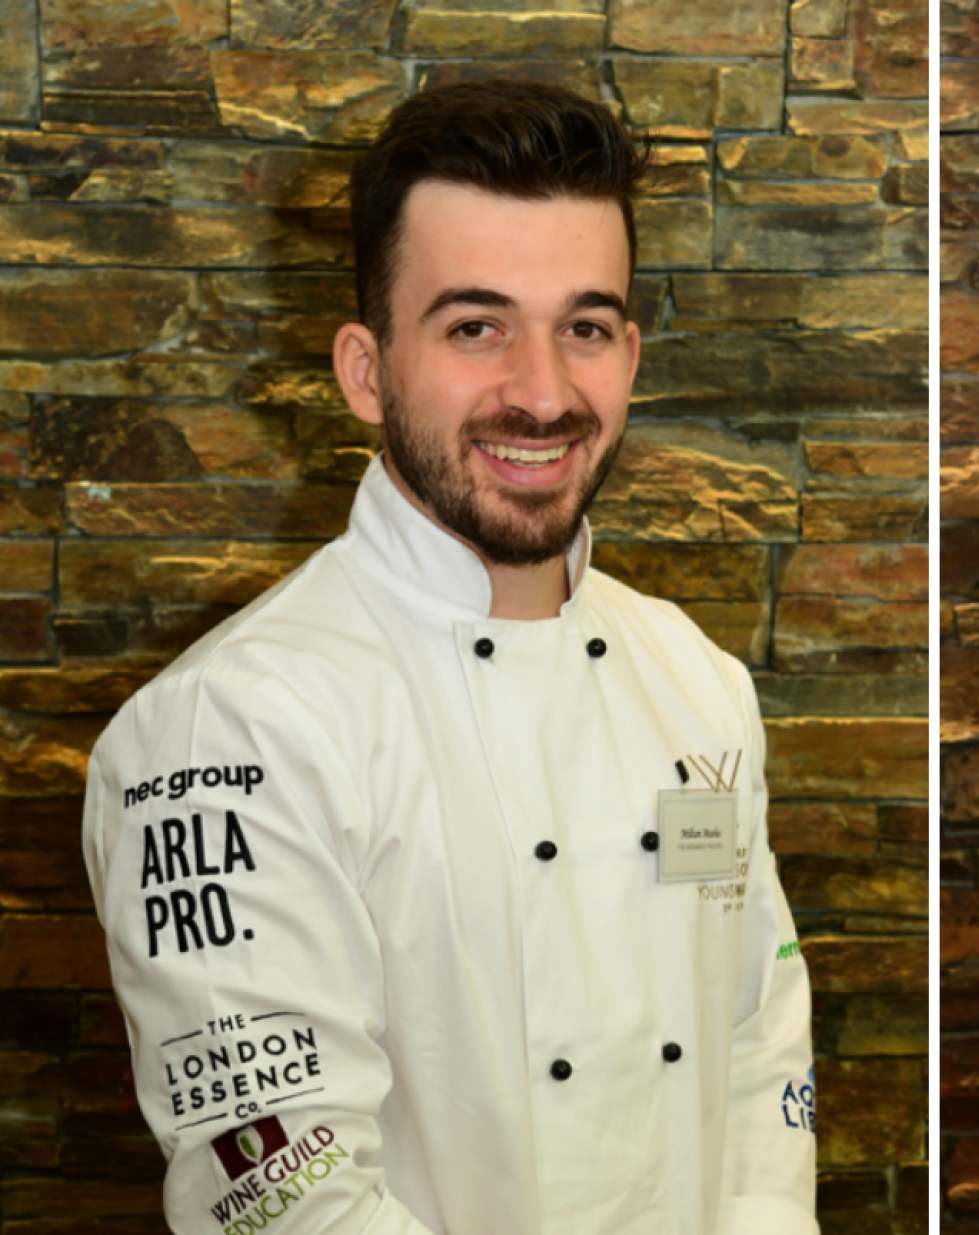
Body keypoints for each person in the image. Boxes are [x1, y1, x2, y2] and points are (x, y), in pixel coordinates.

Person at [81, 80, 818, 1234]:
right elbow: (285, 1193)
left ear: (627, 353)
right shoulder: (228, 728)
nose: (542, 392)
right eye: (476, 326)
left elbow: (759, 1044)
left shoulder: (696, 679)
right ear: (367, 370)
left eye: (582, 327)